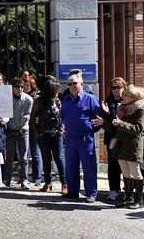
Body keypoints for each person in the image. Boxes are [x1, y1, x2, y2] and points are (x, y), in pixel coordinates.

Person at [96, 85, 144, 209]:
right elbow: (114, 127)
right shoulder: (122, 109)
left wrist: (121, 123)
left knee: (135, 173)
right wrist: (105, 121)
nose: (122, 96)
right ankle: (128, 198)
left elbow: (138, 128)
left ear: (133, 97)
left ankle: (138, 200)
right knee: (125, 172)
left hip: (133, 146)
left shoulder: (141, 110)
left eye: (125, 95)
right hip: (121, 146)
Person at [61, 72, 101, 202]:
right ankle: (73, 191)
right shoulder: (66, 100)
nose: (72, 86)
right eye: (69, 84)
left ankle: (91, 193)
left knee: (89, 166)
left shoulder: (90, 99)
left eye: (74, 83)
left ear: (82, 84)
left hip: (85, 138)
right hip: (71, 138)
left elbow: (99, 119)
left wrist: (90, 129)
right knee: (71, 166)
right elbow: (63, 117)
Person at [31, 79, 67, 194]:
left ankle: (64, 183)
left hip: (57, 134)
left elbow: (62, 116)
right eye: (55, 89)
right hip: (44, 134)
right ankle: (48, 182)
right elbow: (32, 118)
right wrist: (38, 132)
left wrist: (62, 127)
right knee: (46, 159)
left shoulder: (57, 101)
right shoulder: (40, 101)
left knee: (59, 159)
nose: (57, 91)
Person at [3, 77, 33, 189]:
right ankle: (7, 179)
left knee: (23, 157)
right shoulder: (7, 98)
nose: (19, 89)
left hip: (23, 130)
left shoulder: (28, 99)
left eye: (21, 87)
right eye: (17, 87)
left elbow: (28, 114)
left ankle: (24, 180)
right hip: (10, 129)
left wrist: (24, 119)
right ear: (12, 88)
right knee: (9, 157)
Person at [101, 77, 127, 201]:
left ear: (123, 88)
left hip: (125, 139)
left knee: (125, 165)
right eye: (113, 88)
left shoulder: (127, 102)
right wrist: (105, 113)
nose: (116, 90)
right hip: (111, 138)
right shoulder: (108, 102)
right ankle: (114, 190)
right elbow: (105, 121)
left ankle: (128, 190)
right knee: (112, 166)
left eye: (118, 87)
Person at [24, 75, 43, 186]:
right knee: (24, 154)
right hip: (22, 127)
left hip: (33, 128)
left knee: (35, 153)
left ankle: (37, 177)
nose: (25, 87)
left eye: (28, 85)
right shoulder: (19, 95)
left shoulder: (36, 97)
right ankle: (24, 177)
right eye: (24, 85)